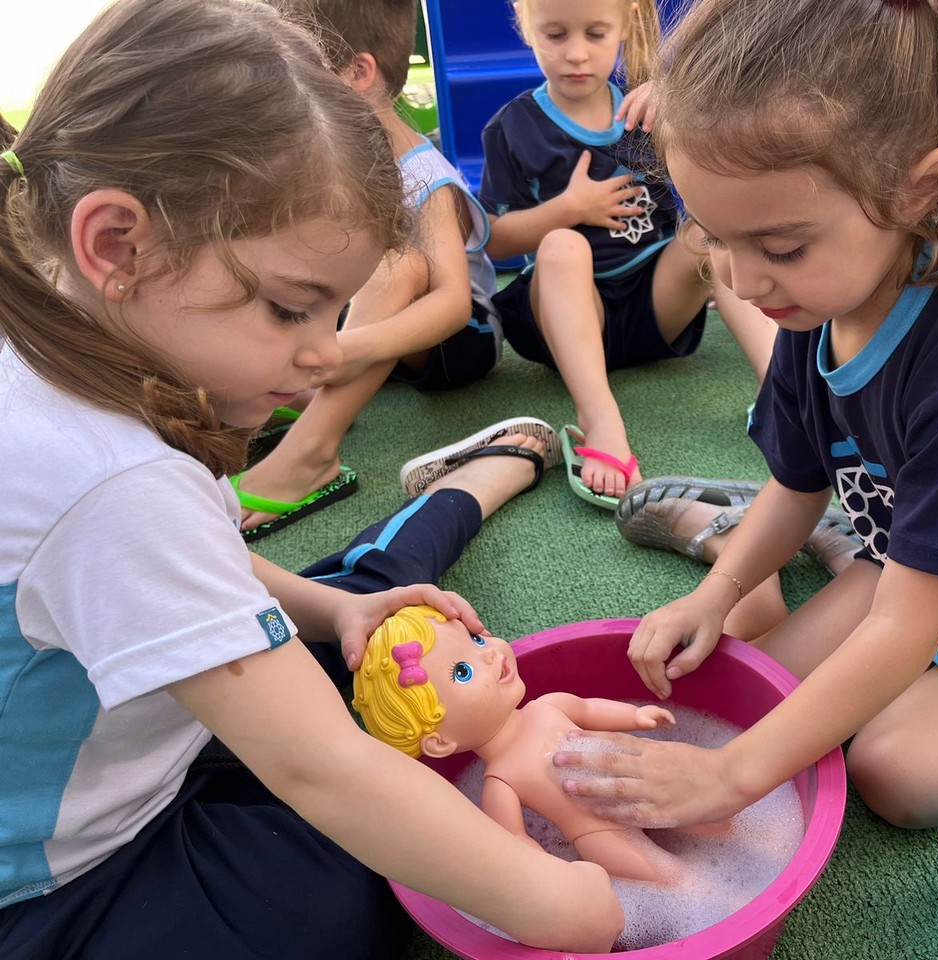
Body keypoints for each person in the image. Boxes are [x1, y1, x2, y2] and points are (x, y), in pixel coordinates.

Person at [0, 2, 622, 958]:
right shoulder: (110, 481)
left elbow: (198, 557)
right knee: (341, 894)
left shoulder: (69, 345)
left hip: (161, 726)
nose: (328, 354)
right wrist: (559, 904)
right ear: (117, 244)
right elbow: (320, 769)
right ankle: (474, 478)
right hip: (68, 877)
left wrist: (330, 613)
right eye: (292, 309)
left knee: (375, 629)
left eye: (335, 312)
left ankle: (466, 487)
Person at [554, 0, 938, 833]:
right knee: (755, 683)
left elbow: (901, 630)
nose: (742, 282)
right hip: (922, 568)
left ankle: (858, 546)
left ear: (921, 188)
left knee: (895, 771)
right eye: (713, 236)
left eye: (782, 247)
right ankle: (853, 541)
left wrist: (727, 779)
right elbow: (797, 482)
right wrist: (718, 592)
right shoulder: (814, 303)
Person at [479, 0, 776, 506]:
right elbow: (495, 240)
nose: (576, 54)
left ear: (625, 26)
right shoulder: (513, 127)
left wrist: (678, 105)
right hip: (569, 318)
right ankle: (600, 418)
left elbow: (731, 156)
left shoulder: (648, 109)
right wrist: (569, 209)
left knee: (705, 234)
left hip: (652, 308)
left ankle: (784, 393)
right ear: (526, 28)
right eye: (555, 35)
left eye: (595, 34)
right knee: (562, 245)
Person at [235, 0, 506, 539]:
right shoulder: (336, 160)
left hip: (458, 342)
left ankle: (312, 453)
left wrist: (342, 351)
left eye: (302, 73)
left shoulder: (421, 173)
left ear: (358, 72)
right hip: (374, 329)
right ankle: (301, 389)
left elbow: (453, 304)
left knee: (400, 263)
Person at [354, 605, 685, 883]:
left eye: (475, 639)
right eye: (463, 671)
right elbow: (515, 841)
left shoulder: (546, 706)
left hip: (637, 779)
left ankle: (718, 835)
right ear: (440, 742)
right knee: (668, 877)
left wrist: (636, 715)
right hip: (598, 832)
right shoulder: (500, 781)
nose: (490, 653)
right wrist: (552, 874)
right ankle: (696, 890)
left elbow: (588, 709)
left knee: (699, 812)